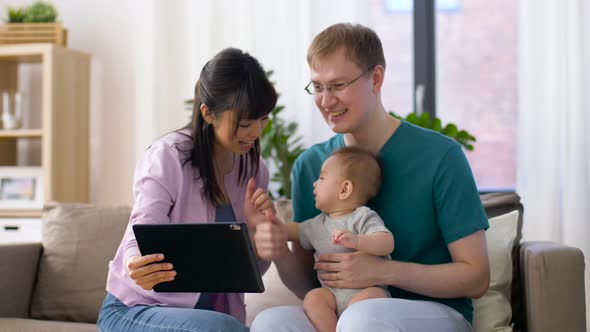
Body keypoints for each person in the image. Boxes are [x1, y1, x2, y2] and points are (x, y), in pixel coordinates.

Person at [250, 23, 490, 332]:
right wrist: (280, 248)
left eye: (338, 85)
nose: (325, 101)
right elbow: (310, 284)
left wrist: (383, 272)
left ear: (375, 79)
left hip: (434, 312)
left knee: (363, 320)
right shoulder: (312, 165)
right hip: (342, 310)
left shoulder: (441, 156)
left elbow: (476, 278)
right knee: (271, 323)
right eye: (318, 87)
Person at [98, 47, 277, 332]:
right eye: (244, 123)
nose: (256, 132)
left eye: (263, 119)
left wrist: (258, 241)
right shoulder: (168, 156)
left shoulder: (255, 171)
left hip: (211, 318)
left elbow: (248, 275)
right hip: (135, 310)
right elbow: (144, 222)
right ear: (208, 113)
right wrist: (136, 262)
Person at [282, 146, 394, 332]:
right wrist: (270, 225)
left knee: (371, 300)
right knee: (314, 298)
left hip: (364, 291)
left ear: (344, 189)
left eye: (322, 178)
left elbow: (386, 243)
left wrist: (358, 241)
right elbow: (294, 231)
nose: (314, 184)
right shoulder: (316, 224)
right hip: (332, 294)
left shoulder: (362, 216)